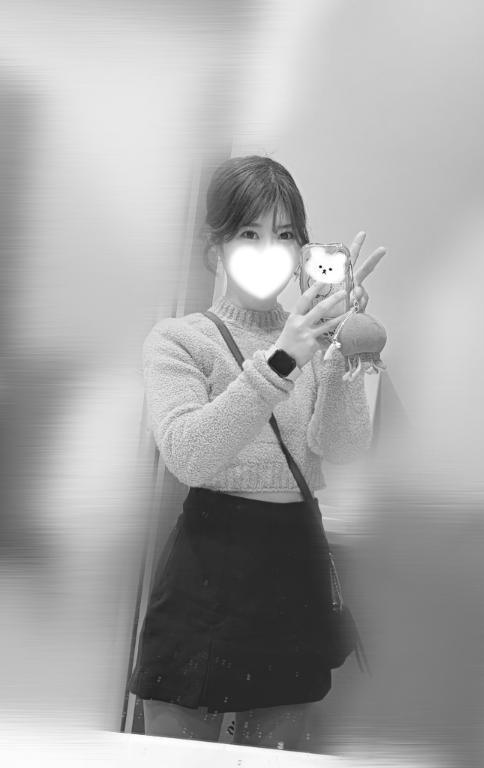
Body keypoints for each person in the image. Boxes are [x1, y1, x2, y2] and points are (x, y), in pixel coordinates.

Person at [128, 155, 385, 750]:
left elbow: (342, 448)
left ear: (302, 251)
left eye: (285, 234)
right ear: (215, 247)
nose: (269, 249)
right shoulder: (179, 339)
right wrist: (281, 359)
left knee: (278, 754)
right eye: (249, 233)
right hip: (208, 566)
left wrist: (340, 354)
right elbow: (188, 454)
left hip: (291, 568)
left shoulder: (315, 338)